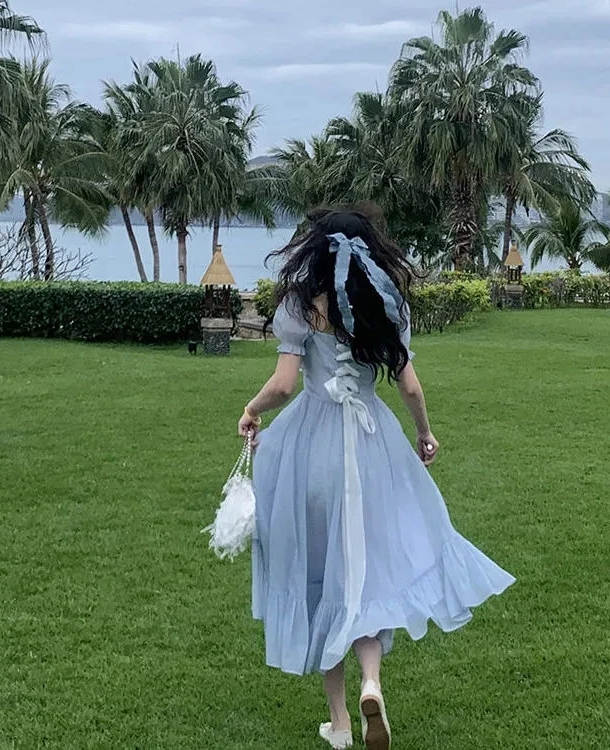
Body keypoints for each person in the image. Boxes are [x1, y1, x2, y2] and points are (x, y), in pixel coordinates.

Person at [238, 209, 515, 750]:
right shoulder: (385, 305)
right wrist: (425, 434)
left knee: (323, 578)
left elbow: (284, 385)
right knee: (364, 572)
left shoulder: (300, 304)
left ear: (315, 252)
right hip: (372, 449)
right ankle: (372, 681)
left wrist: (251, 410)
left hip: (311, 452)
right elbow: (409, 387)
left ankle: (340, 722)